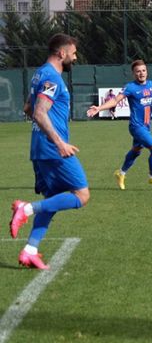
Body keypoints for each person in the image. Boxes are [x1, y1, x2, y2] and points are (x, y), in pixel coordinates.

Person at [9, 33, 90, 270]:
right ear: (61, 53)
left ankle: (30, 251)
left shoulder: (39, 74)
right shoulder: (52, 77)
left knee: (53, 201)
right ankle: (26, 209)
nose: (74, 58)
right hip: (52, 150)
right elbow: (39, 112)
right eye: (73, 54)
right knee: (81, 195)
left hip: (40, 148)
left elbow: (27, 107)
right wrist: (60, 142)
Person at [87, 60, 152, 190]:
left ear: (147, 71)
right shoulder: (130, 87)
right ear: (133, 74)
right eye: (138, 71)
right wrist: (99, 108)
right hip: (136, 126)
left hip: (146, 126)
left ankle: (120, 173)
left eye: (143, 70)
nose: (141, 73)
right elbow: (115, 100)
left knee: (136, 151)